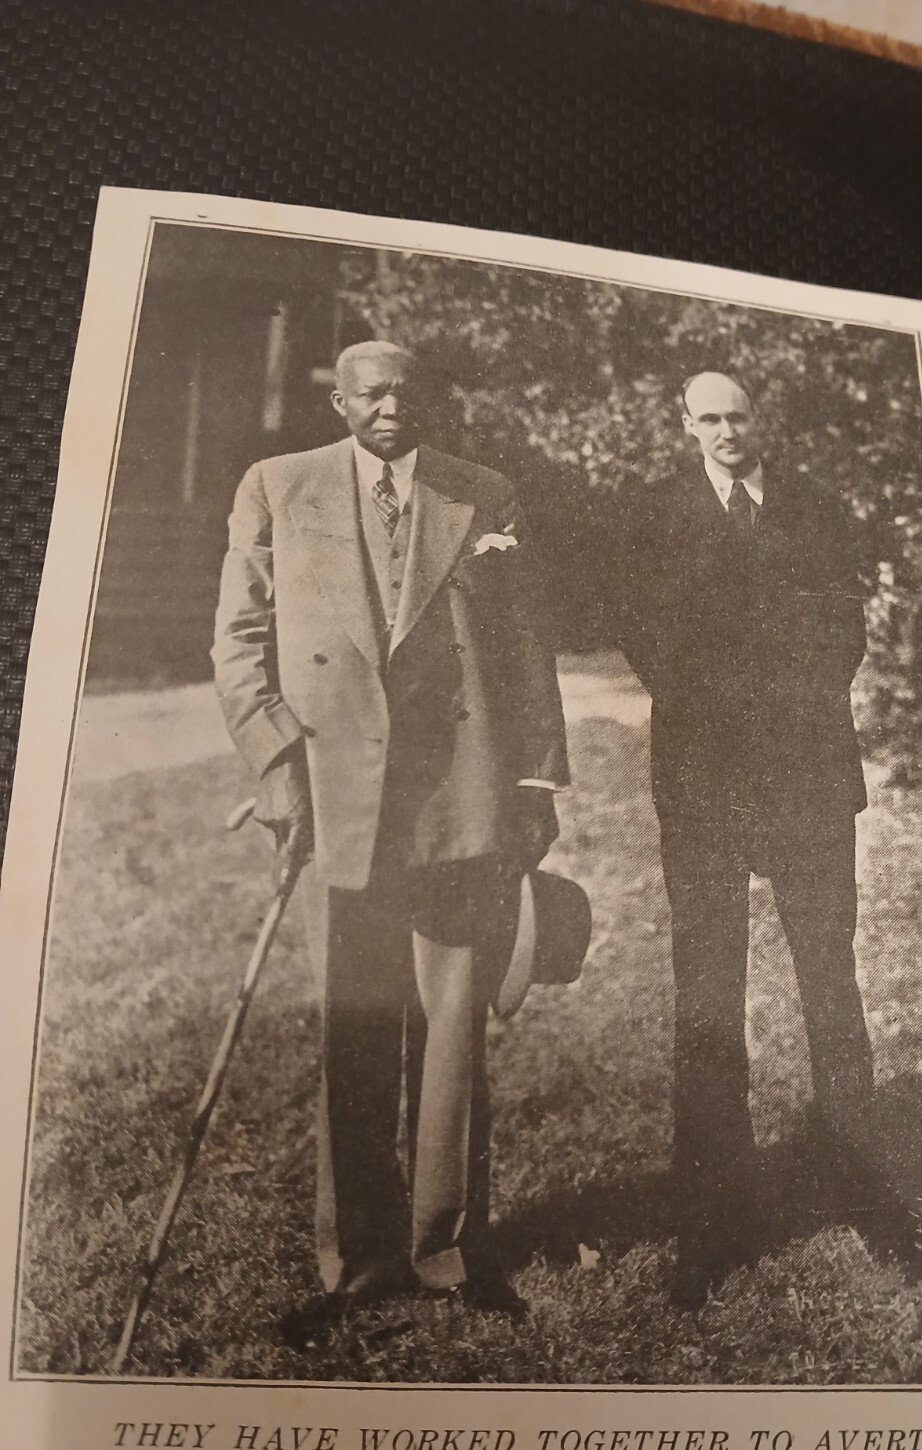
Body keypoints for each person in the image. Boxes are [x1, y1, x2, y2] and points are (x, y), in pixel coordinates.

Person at [212, 341, 568, 1335]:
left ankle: (449, 1246)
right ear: (337, 400)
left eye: (406, 391)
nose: (390, 406)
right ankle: (360, 1258)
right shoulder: (277, 488)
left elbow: (524, 645)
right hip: (340, 798)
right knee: (354, 1022)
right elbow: (239, 638)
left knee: (455, 1024)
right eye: (370, 391)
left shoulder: (483, 493)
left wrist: (535, 777)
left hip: (459, 794)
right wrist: (277, 762)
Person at [612, 369, 878, 1310]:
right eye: (709, 419)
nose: (727, 432)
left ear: (763, 418)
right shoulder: (654, 514)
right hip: (706, 784)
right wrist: (748, 690)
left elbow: (841, 627)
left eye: (740, 415)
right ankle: (713, 1215)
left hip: (807, 772)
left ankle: (862, 1187)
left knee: (829, 978)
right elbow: (653, 642)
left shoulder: (816, 507)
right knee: (709, 994)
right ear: (686, 428)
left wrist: (777, 691)